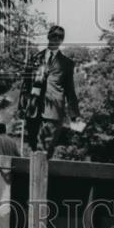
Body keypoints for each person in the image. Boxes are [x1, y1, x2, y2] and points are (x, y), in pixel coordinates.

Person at [19, 24, 79, 159]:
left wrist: (74, 114)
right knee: (33, 149)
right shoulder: (35, 59)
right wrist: (22, 107)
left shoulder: (67, 63)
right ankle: (32, 179)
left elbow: (70, 90)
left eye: (60, 37)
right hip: (33, 109)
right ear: (48, 36)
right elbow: (26, 85)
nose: (57, 38)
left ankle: (42, 177)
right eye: (54, 35)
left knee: (45, 149)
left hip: (54, 111)